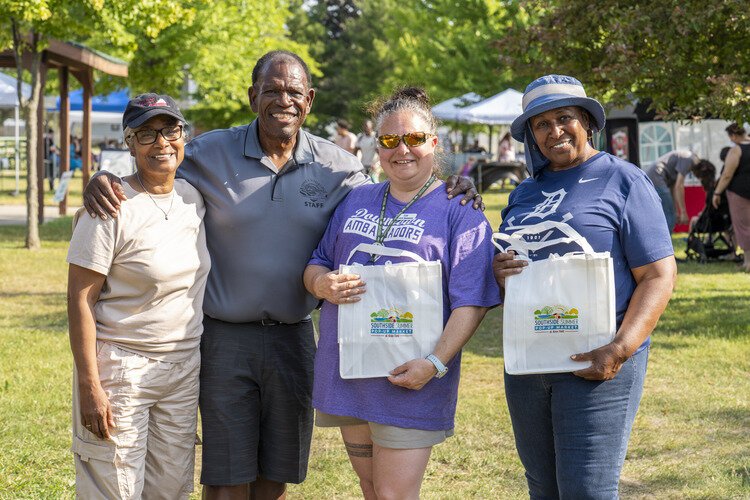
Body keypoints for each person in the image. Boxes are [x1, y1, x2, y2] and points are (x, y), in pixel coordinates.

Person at [82, 50, 481, 500]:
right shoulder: (210, 151)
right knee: (226, 477)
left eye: (294, 91)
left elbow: (395, 188)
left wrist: (453, 185)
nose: (283, 100)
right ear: (253, 96)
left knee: (277, 475)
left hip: (295, 338)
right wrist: (104, 174)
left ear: (309, 100)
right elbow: (156, 158)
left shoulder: (339, 166)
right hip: (224, 338)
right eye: (271, 90)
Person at [303, 87, 499, 499]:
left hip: (411, 380)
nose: (402, 150)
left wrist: (435, 363)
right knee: (371, 487)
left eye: (413, 139)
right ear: (378, 147)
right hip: (350, 377)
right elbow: (317, 262)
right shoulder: (356, 199)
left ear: (433, 143)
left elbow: (473, 301)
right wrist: (320, 283)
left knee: (394, 495)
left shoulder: (460, 211)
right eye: (390, 141)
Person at [493, 75, 677, 499]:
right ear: (531, 135)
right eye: (541, 124)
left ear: (588, 123)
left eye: (564, 118)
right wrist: (500, 272)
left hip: (599, 361)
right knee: (543, 487)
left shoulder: (624, 180)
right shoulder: (523, 193)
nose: (554, 131)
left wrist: (619, 349)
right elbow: (510, 276)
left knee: (586, 490)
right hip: (528, 366)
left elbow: (658, 275)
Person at [67, 94, 210, 498]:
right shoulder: (110, 206)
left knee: (171, 488)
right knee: (115, 488)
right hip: (122, 368)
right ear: (129, 143)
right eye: (146, 133)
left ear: (184, 135)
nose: (161, 142)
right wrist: (89, 384)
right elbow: (80, 299)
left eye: (170, 130)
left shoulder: (193, 198)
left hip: (183, 368)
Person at [713, 123, 750, 271]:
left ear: (733, 136)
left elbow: (727, 175)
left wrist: (717, 193)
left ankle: (748, 263)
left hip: (739, 193)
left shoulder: (736, 150)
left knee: (744, 227)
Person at [645, 149, 700, 232]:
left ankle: (660, 240)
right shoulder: (690, 159)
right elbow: (679, 186)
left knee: (670, 214)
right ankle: (665, 243)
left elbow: (673, 188)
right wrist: (683, 212)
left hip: (653, 177)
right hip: (657, 177)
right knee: (669, 215)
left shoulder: (682, 159)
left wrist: (676, 210)